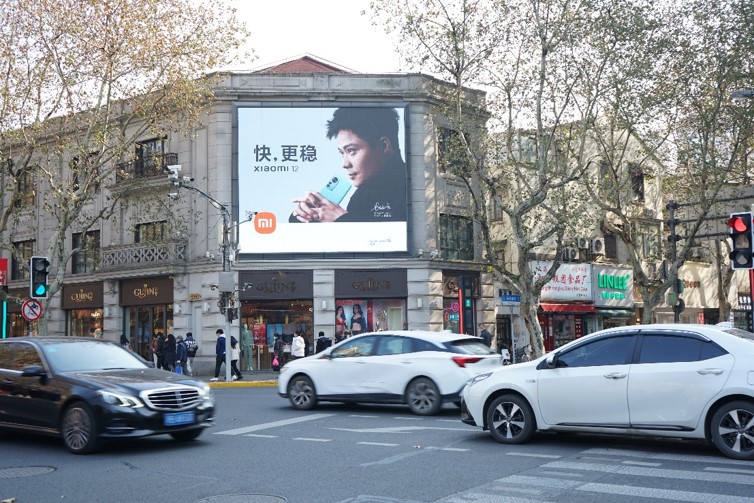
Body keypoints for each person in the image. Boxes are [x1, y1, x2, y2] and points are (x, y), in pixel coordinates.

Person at [289, 107, 407, 223]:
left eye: (351, 150)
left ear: (383, 146)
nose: (345, 164)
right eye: (342, 153)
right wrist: (307, 215)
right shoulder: (361, 196)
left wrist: (342, 220)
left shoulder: (412, 190)